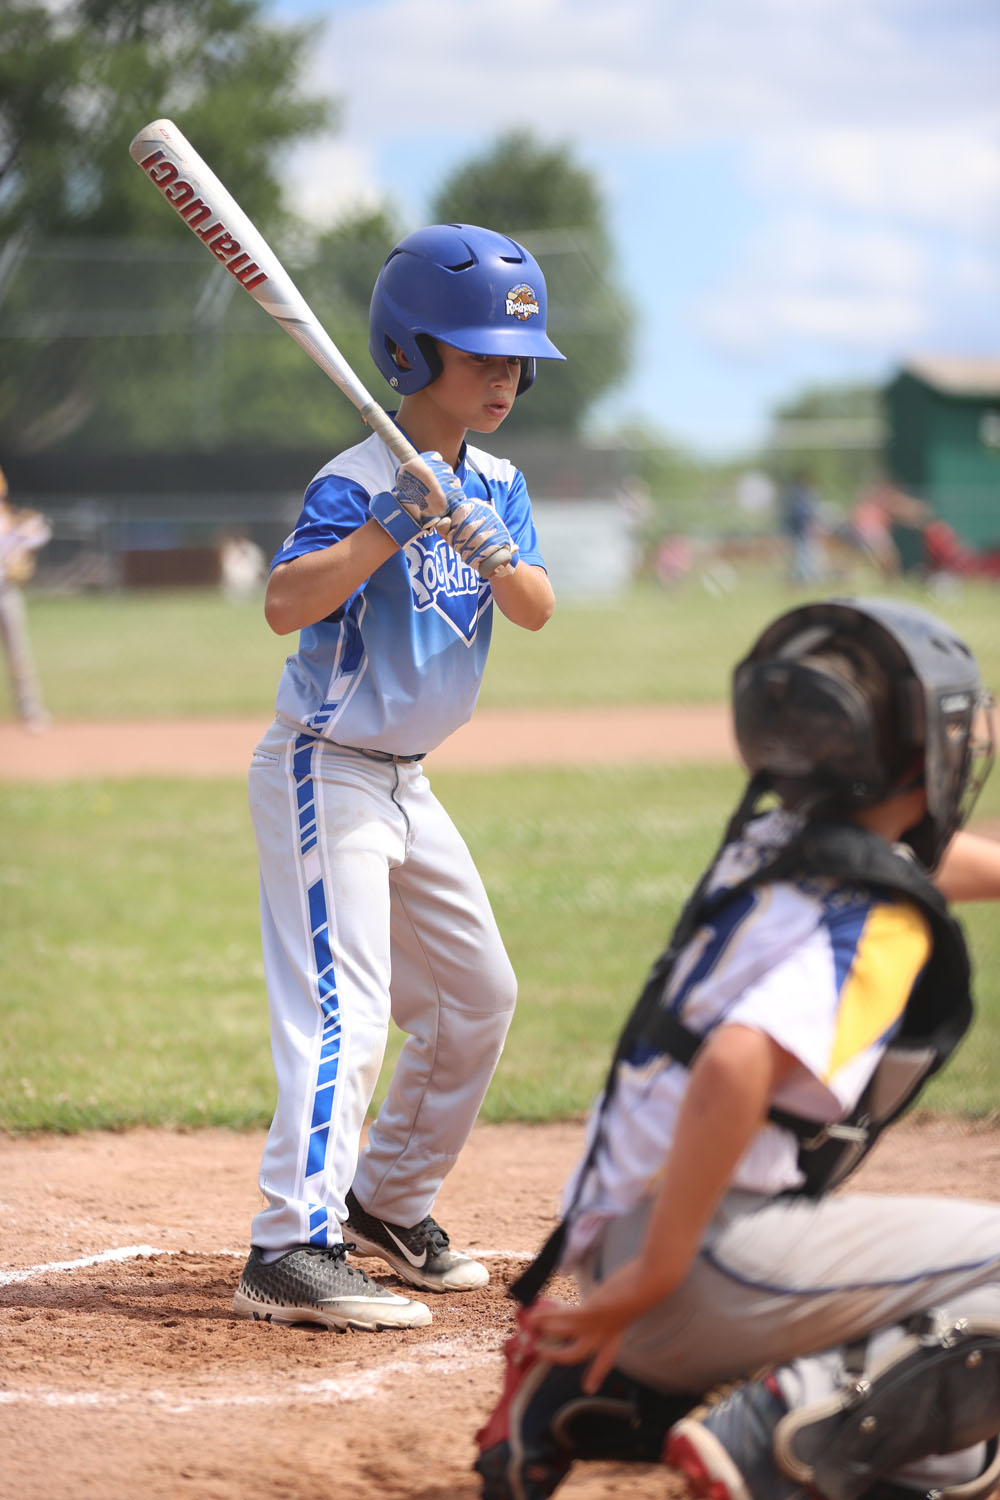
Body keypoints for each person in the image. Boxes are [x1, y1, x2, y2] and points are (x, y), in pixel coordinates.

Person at [474, 595, 1000, 1500]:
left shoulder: (770, 841)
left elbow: (921, 862)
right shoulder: (881, 925)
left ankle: (590, 1394)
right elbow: (737, 1061)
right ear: (925, 757)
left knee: (953, 1452)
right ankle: (776, 1435)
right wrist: (664, 1274)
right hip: (697, 1264)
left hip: (619, 1249)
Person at [232, 224, 565, 1334]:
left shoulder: (499, 482)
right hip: (326, 771)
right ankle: (288, 1245)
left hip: (408, 783)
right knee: (349, 1008)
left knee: (480, 996)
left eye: (515, 362)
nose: (505, 379)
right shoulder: (358, 478)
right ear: (411, 356)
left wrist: (491, 545)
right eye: (481, 358)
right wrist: (390, 526)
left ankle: (386, 1199)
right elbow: (285, 605)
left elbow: (537, 609)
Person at [0, 462, 51, 732]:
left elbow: (40, 530)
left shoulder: (10, 518)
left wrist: (21, 545)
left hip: (5, 594)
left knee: (18, 654)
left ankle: (30, 710)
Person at [778, 470, 824, 583]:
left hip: (803, 531)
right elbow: (803, 514)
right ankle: (804, 578)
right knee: (803, 555)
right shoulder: (798, 496)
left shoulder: (802, 495)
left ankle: (807, 577)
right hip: (800, 531)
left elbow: (810, 514)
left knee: (806, 555)